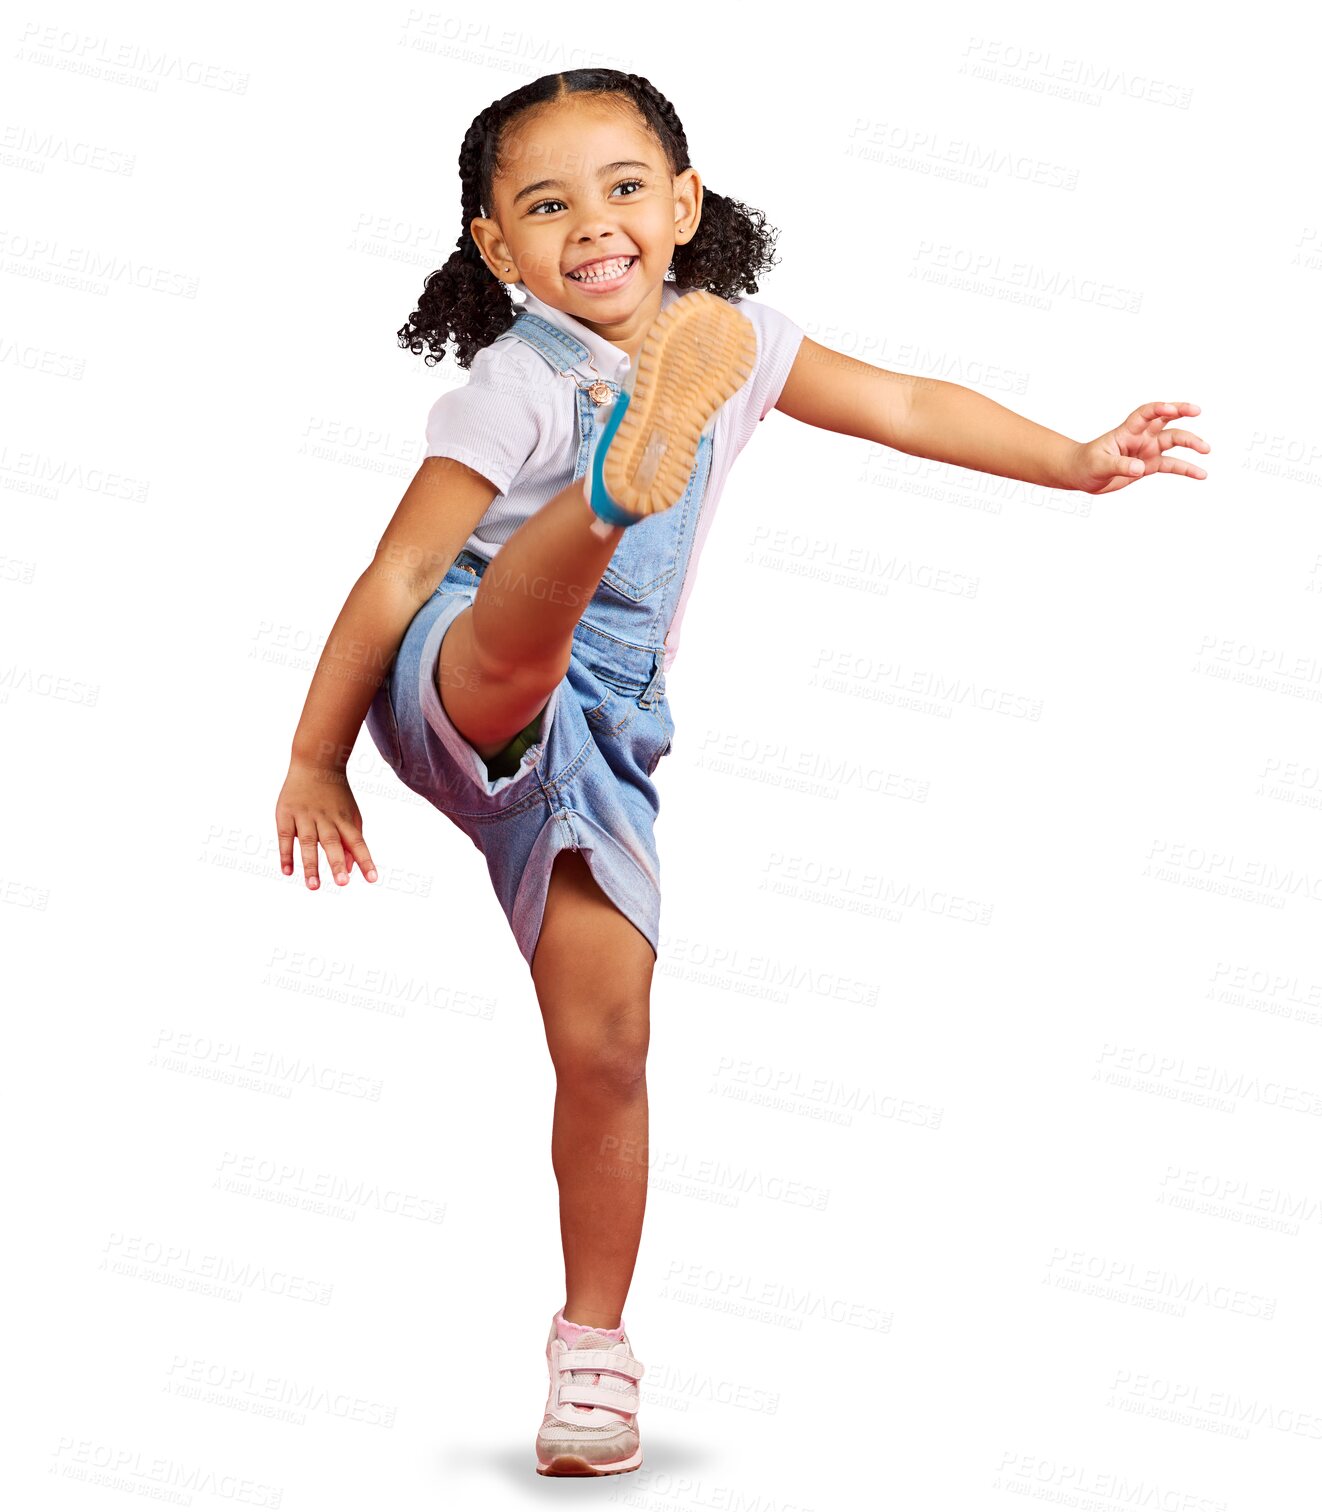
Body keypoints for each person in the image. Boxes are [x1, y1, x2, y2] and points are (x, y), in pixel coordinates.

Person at [274, 68, 1210, 1477]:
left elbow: (898, 399)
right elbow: (403, 568)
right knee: (510, 663)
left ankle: (592, 1354)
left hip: (601, 753)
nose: (592, 224)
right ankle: (604, 491)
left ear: (684, 202)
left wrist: (1071, 461)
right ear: (496, 249)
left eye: (624, 187)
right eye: (547, 205)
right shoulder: (515, 382)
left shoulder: (740, 342)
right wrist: (313, 755)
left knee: (607, 1050)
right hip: (452, 677)